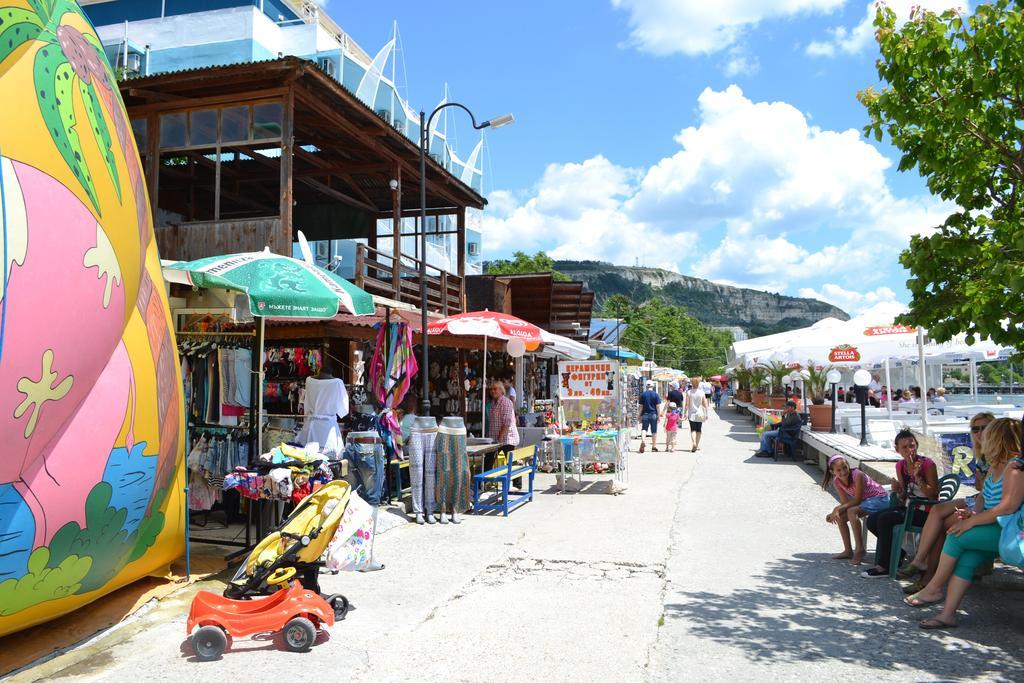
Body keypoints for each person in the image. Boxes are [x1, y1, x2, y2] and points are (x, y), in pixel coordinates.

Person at [904, 418, 1024, 630]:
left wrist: (972, 523)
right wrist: (972, 513)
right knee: (967, 558)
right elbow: (984, 499)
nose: (981, 438)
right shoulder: (995, 467)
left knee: (956, 535)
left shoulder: (1015, 469)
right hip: (995, 527)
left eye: (987, 435)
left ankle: (933, 588)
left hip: (1009, 531)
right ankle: (947, 615)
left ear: (996, 439)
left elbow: (1008, 507)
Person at [896, 412, 996, 594]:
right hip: (979, 500)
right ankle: (921, 564)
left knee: (941, 522)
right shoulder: (982, 455)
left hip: (989, 506)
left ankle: (927, 579)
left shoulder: (998, 455)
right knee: (938, 512)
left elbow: (933, 493)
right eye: (975, 429)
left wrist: (918, 477)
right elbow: (980, 486)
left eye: (985, 428)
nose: (980, 432)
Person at [862, 429, 939, 576]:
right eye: (904, 447)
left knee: (885, 519)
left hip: (927, 512)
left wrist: (918, 478)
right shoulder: (900, 466)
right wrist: (898, 491)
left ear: (916, 445)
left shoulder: (928, 464)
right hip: (909, 508)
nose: (910, 450)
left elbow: (934, 495)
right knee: (872, 520)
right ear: (897, 450)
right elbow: (904, 496)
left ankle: (884, 566)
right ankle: (899, 552)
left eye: (912, 445)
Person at [822, 455, 892, 565]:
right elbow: (845, 503)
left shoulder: (857, 475)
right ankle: (848, 550)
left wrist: (837, 508)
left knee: (852, 511)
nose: (843, 472)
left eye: (845, 467)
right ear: (832, 472)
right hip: (866, 502)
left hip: (880, 499)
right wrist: (834, 513)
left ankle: (859, 549)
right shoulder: (837, 481)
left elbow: (857, 500)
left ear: (848, 465)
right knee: (840, 517)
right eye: (838, 470)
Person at [487, 380, 519, 447]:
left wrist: (500, 439)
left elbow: (507, 423)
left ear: (501, 390)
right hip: (495, 442)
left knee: (498, 458)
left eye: (495, 389)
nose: (492, 391)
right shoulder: (493, 403)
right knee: (489, 457)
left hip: (506, 442)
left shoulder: (505, 402)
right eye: (491, 389)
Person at [684, 377, 709, 452]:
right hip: (700, 413)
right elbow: (705, 405)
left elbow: (687, 404)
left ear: (692, 383)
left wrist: (685, 413)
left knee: (693, 430)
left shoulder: (689, 392)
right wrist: (706, 414)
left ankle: (694, 442)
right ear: (698, 383)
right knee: (699, 430)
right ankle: (697, 445)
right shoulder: (701, 392)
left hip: (691, 414)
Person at [638, 380, 661, 453]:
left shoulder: (643, 394)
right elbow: (658, 406)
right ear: (652, 386)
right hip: (653, 414)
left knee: (644, 429)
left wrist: (639, 415)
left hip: (645, 414)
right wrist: (659, 415)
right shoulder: (656, 394)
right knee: (654, 431)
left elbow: (641, 406)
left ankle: (643, 441)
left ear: (646, 386)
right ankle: (654, 446)